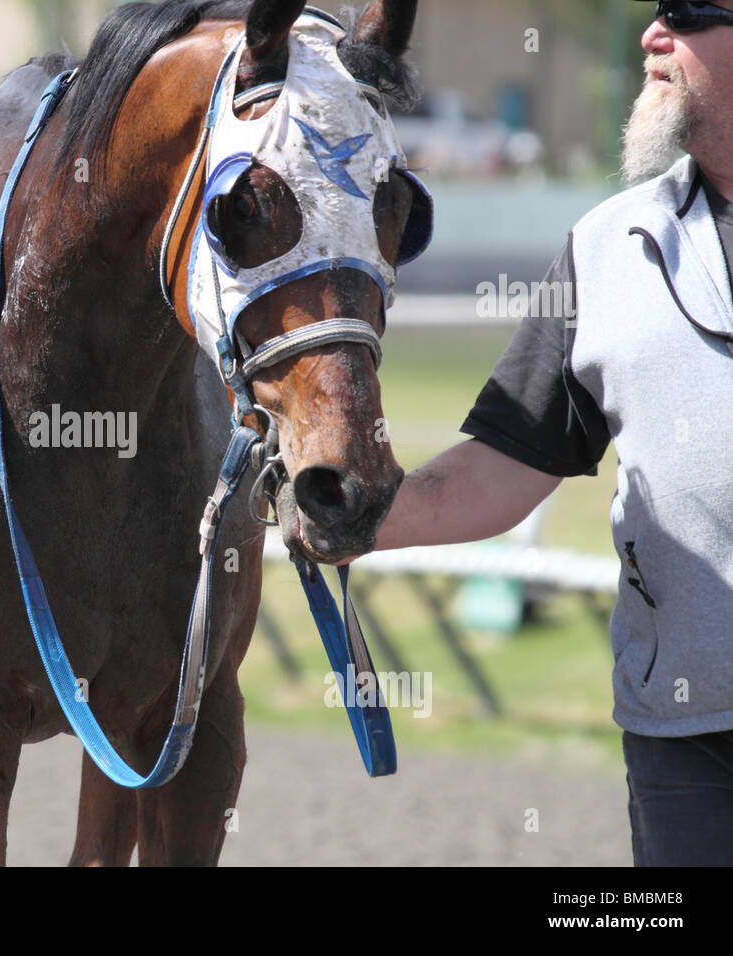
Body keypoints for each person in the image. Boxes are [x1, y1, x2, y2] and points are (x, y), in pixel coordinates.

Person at [340, 1, 733, 865]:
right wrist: (352, 513)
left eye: (691, 13)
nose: (652, 34)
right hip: (689, 740)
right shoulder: (606, 247)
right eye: (655, 12)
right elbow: (501, 468)